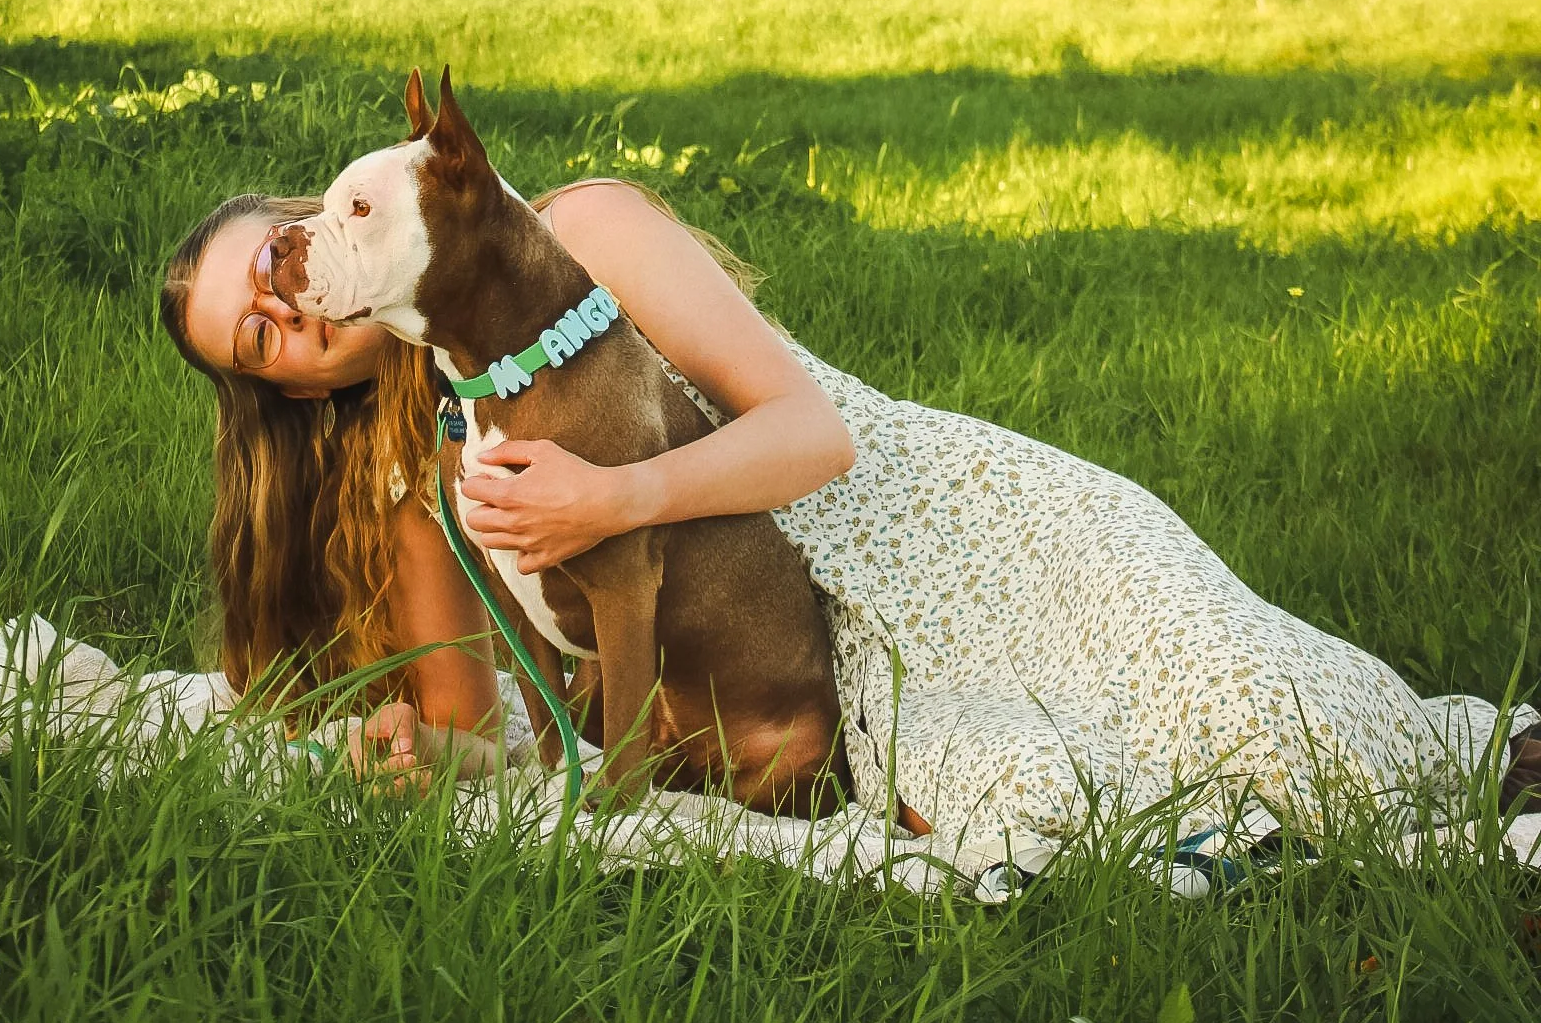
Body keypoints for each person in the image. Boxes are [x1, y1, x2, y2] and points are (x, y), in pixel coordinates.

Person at [163, 175, 1539, 859]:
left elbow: (810, 435)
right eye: (257, 339)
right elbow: (486, 720)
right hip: (811, 655)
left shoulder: (575, 232)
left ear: (317, 220)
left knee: (1312, 735)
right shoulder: (413, 480)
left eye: (276, 260)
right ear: (271, 390)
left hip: (949, 527)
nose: (286, 309)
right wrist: (425, 757)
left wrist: (620, 493)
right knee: (1061, 812)